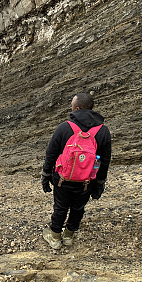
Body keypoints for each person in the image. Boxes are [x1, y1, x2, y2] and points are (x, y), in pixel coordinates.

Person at [41, 93, 112, 249]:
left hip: (63, 179)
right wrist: (100, 184)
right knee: (78, 208)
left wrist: (45, 176)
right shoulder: (103, 131)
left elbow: (51, 154)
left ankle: (55, 238)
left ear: (77, 108)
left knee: (60, 207)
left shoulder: (64, 127)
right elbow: (104, 161)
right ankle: (68, 236)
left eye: (72, 105)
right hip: (87, 181)